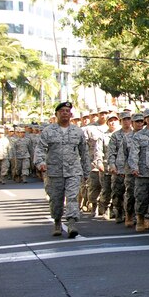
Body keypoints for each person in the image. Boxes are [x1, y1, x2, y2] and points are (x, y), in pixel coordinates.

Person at [34, 101, 91, 238]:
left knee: (72, 197)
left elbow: (84, 152)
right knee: (56, 199)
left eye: (67, 111)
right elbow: (40, 149)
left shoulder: (77, 131)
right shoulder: (48, 131)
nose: (65, 113)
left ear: (71, 114)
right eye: (62, 111)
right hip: (54, 172)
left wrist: (86, 171)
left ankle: (71, 224)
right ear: (56, 114)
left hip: (73, 171)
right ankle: (57, 222)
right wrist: (40, 163)